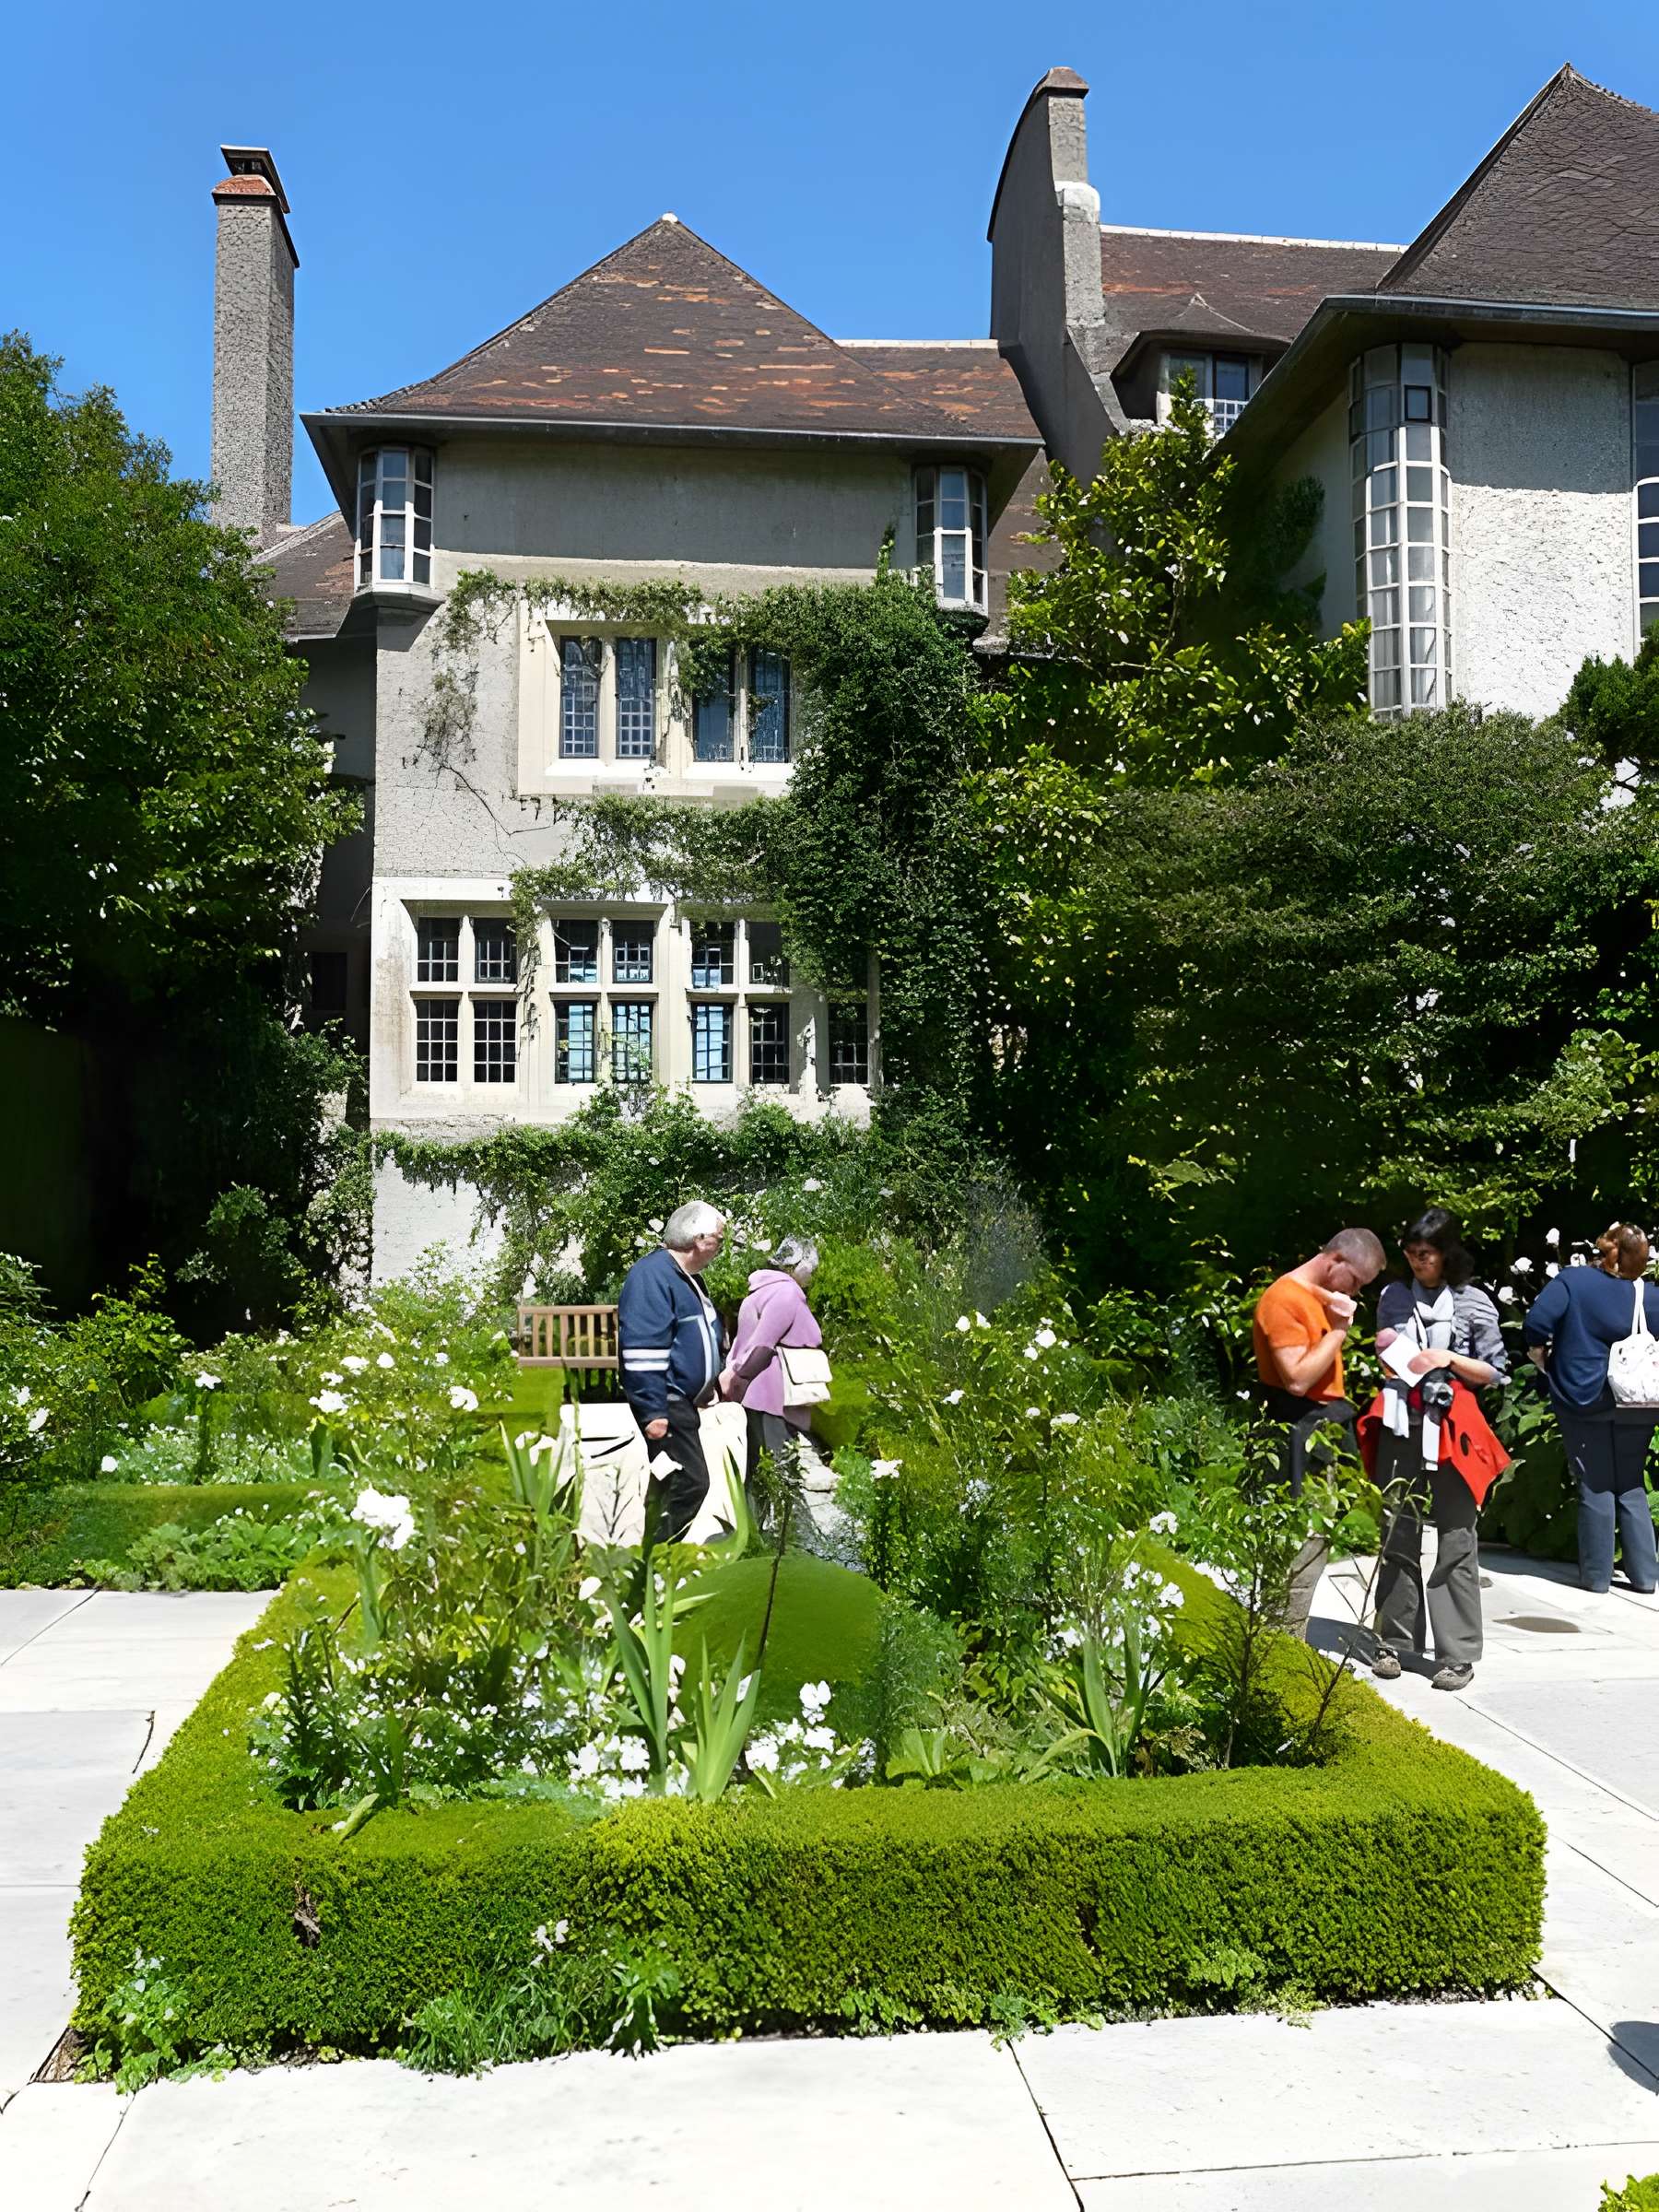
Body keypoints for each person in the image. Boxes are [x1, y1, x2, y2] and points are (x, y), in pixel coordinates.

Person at [1371, 1208, 1507, 1692]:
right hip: (1400, 1424)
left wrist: (1447, 1359)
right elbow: (1385, 1348)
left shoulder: (1474, 1303)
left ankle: (1458, 1654)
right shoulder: (1393, 1295)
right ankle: (1394, 1641)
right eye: (1408, 1255)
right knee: (1396, 1532)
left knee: (1455, 1536)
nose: (1414, 1263)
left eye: (1423, 1255)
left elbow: (1495, 1370)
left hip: (1452, 1432)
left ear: (1446, 1255)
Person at [1252, 1228, 1386, 1635]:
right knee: (1298, 1544)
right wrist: (1340, 1331)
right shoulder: (1283, 1300)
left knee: (1316, 1541)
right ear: (1336, 1262)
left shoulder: (1316, 1296)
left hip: (1321, 1431)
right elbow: (1296, 1378)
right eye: (1358, 1282)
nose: (1358, 1293)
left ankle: (1284, 1641)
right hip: (1296, 1434)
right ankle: (1280, 1643)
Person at [1523, 1226, 1659, 1596]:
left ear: (1607, 1248)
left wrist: (1544, 1358)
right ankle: (1646, 1577)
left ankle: (1597, 1577)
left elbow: (1535, 1325)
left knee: (1596, 1483)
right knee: (1630, 1482)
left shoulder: (1574, 1281)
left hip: (1585, 1398)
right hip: (1639, 1402)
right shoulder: (1650, 1295)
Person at [616, 1200, 727, 1544]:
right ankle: (656, 1557)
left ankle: (655, 1563)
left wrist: (708, 1387)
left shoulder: (687, 1277)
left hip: (681, 1400)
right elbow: (642, 1349)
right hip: (667, 1398)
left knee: (672, 1480)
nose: (721, 1247)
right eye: (719, 1240)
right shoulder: (653, 1276)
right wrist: (653, 1410)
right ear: (700, 1240)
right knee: (691, 1481)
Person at [721, 1234, 823, 1518]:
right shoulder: (786, 1293)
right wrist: (737, 1377)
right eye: (811, 1266)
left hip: (760, 1395)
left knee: (760, 1466)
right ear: (798, 1264)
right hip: (773, 1395)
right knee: (777, 1468)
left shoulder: (762, 1290)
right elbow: (762, 1345)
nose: (813, 1274)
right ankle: (778, 1540)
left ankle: (759, 1532)